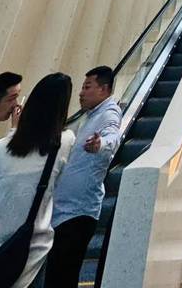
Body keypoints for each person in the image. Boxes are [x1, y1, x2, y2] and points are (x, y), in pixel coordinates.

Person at [0, 73, 75, 288]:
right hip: (28, 253)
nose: (16, 104)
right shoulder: (64, 142)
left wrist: (15, 132)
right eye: (12, 98)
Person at [45, 66, 121, 288]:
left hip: (78, 213)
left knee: (62, 276)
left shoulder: (109, 113)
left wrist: (100, 144)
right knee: (58, 275)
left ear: (104, 89)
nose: (81, 93)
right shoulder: (89, 117)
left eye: (87, 87)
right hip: (64, 211)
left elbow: (112, 137)